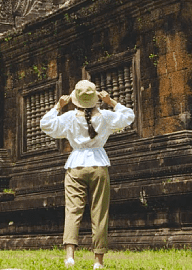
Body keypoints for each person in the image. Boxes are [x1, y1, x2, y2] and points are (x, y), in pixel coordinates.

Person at [40, 79, 135, 269]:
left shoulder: (68, 118)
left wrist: (58, 106)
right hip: (99, 164)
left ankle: (70, 257)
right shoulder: (106, 116)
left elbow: (46, 124)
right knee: (100, 212)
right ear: (95, 98)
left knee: (72, 210)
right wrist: (111, 102)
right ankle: (98, 261)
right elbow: (128, 116)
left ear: (76, 99)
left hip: (76, 165)